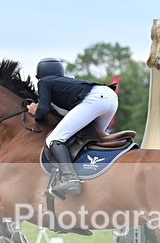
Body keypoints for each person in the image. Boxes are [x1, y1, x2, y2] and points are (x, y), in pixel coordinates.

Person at [26, 58, 118, 198]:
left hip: (95, 99)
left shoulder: (44, 81)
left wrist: (34, 111)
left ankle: (70, 179)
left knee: (54, 139)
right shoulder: (66, 82)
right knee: (91, 141)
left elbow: (43, 111)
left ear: (40, 75)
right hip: (110, 98)